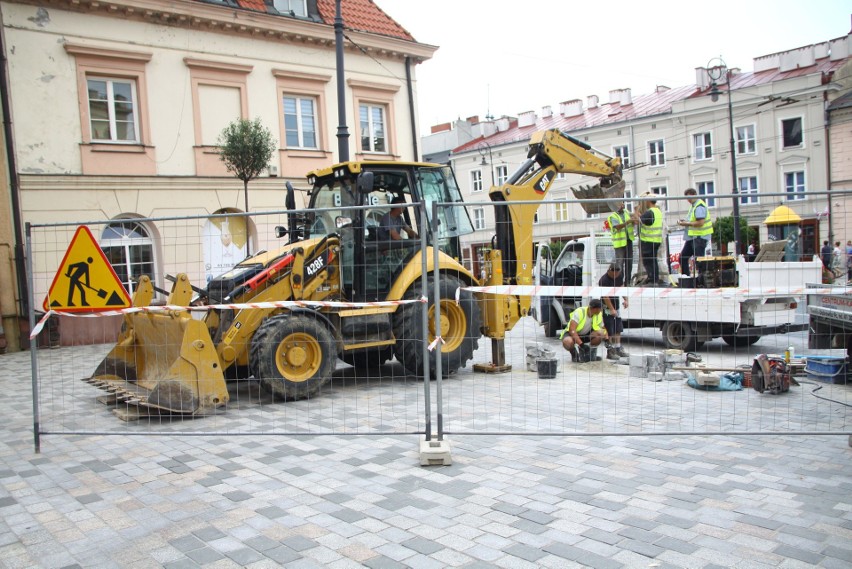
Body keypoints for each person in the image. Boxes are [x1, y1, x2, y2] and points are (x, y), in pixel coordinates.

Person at [677, 188, 712, 278]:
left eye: (689, 197)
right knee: (683, 257)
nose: (688, 200)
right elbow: (693, 220)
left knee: (699, 260)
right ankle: (686, 278)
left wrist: (686, 223)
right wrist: (685, 221)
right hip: (692, 237)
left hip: (699, 237)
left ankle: (702, 279)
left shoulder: (699, 206)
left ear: (694, 195)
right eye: (687, 198)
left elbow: (700, 222)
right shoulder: (694, 206)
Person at [598, 264, 630, 360]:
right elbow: (605, 296)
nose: (616, 276)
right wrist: (611, 309)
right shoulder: (604, 280)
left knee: (618, 328)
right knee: (610, 329)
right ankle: (610, 351)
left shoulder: (619, 276)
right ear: (610, 271)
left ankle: (618, 348)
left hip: (616, 305)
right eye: (614, 274)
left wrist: (626, 299)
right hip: (607, 307)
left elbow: (621, 287)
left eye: (617, 274)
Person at [635, 193, 663, 285]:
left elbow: (636, 221)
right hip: (656, 240)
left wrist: (637, 210)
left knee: (648, 261)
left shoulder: (649, 212)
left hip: (648, 241)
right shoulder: (657, 211)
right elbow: (645, 220)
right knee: (653, 260)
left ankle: (652, 279)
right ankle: (654, 278)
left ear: (648, 201)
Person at [607, 202, 635, 285]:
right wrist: (628, 222)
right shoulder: (613, 216)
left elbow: (634, 216)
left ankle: (628, 282)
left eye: (622, 203)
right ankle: (620, 282)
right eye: (620, 204)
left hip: (628, 241)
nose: (622, 205)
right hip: (619, 244)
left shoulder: (626, 212)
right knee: (620, 264)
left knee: (629, 263)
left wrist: (637, 212)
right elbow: (617, 227)